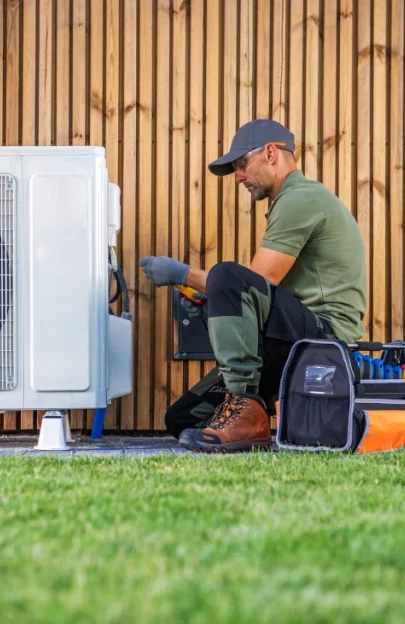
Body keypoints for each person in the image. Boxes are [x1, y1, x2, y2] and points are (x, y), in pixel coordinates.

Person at [138, 118, 367, 453]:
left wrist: (182, 273)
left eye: (242, 164)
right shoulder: (290, 201)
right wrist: (211, 297)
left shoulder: (300, 199)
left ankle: (245, 406)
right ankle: (247, 413)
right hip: (292, 339)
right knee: (184, 418)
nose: (239, 177)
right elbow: (261, 296)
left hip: (325, 341)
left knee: (228, 275)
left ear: (271, 153)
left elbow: (255, 282)